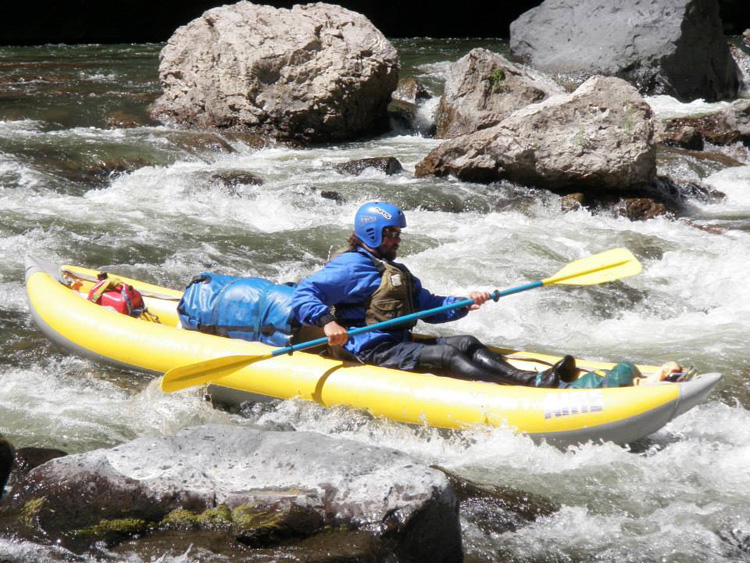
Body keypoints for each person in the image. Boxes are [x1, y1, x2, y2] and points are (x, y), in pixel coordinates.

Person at [291, 201, 577, 388]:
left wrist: (464, 303)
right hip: (368, 349)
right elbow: (304, 293)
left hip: (396, 342)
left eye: (399, 233)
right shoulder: (351, 266)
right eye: (391, 233)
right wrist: (327, 322)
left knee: (465, 342)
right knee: (447, 355)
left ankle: (529, 377)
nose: (398, 239)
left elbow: (429, 306)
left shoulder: (394, 269)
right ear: (372, 233)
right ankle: (530, 382)